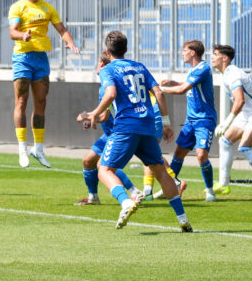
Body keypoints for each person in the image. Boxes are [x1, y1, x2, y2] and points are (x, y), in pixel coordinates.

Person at [86, 31, 192, 232]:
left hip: (126, 127)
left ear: (107, 52)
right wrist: (167, 122)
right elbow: (158, 92)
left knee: (104, 169)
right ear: (126, 49)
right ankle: (182, 218)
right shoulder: (140, 66)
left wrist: (94, 113)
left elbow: (110, 94)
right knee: (161, 171)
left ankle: (126, 202)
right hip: (148, 125)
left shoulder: (108, 70)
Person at [8, 0, 80, 169]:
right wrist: (23, 35)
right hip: (23, 58)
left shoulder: (47, 8)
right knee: (21, 101)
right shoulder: (17, 7)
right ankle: (22, 148)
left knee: (41, 102)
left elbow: (62, 29)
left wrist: (71, 44)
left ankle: (38, 149)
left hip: (41, 58)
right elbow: (12, 31)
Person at [74, 52, 144, 206]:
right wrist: (92, 118)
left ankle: (133, 191)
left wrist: (86, 116)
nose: (97, 65)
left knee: (104, 166)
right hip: (109, 133)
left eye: (98, 62)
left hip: (116, 133)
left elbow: (104, 116)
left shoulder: (108, 86)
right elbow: (104, 114)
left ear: (102, 65)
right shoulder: (106, 84)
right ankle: (93, 197)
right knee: (88, 161)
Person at [211, 44, 252, 198]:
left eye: (215, 54)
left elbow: (239, 100)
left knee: (244, 148)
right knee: (225, 141)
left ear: (224, 58)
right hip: (247, 112)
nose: (212, 57)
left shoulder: (233, 74)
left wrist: (225, 123)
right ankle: (223, 184)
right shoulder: (227, 73)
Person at [160, 39, 219, 201]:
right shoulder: (194, 70)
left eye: (184, 50)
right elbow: (186, 85)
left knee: (201, 156)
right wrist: (174, 82)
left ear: (193, 52)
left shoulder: (203, 68)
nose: (182, 53)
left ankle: (209, 191)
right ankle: (171, 186)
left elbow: (182, 90)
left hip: (204, 120)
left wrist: (160, 90)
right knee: (178, 154)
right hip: (190, 121)